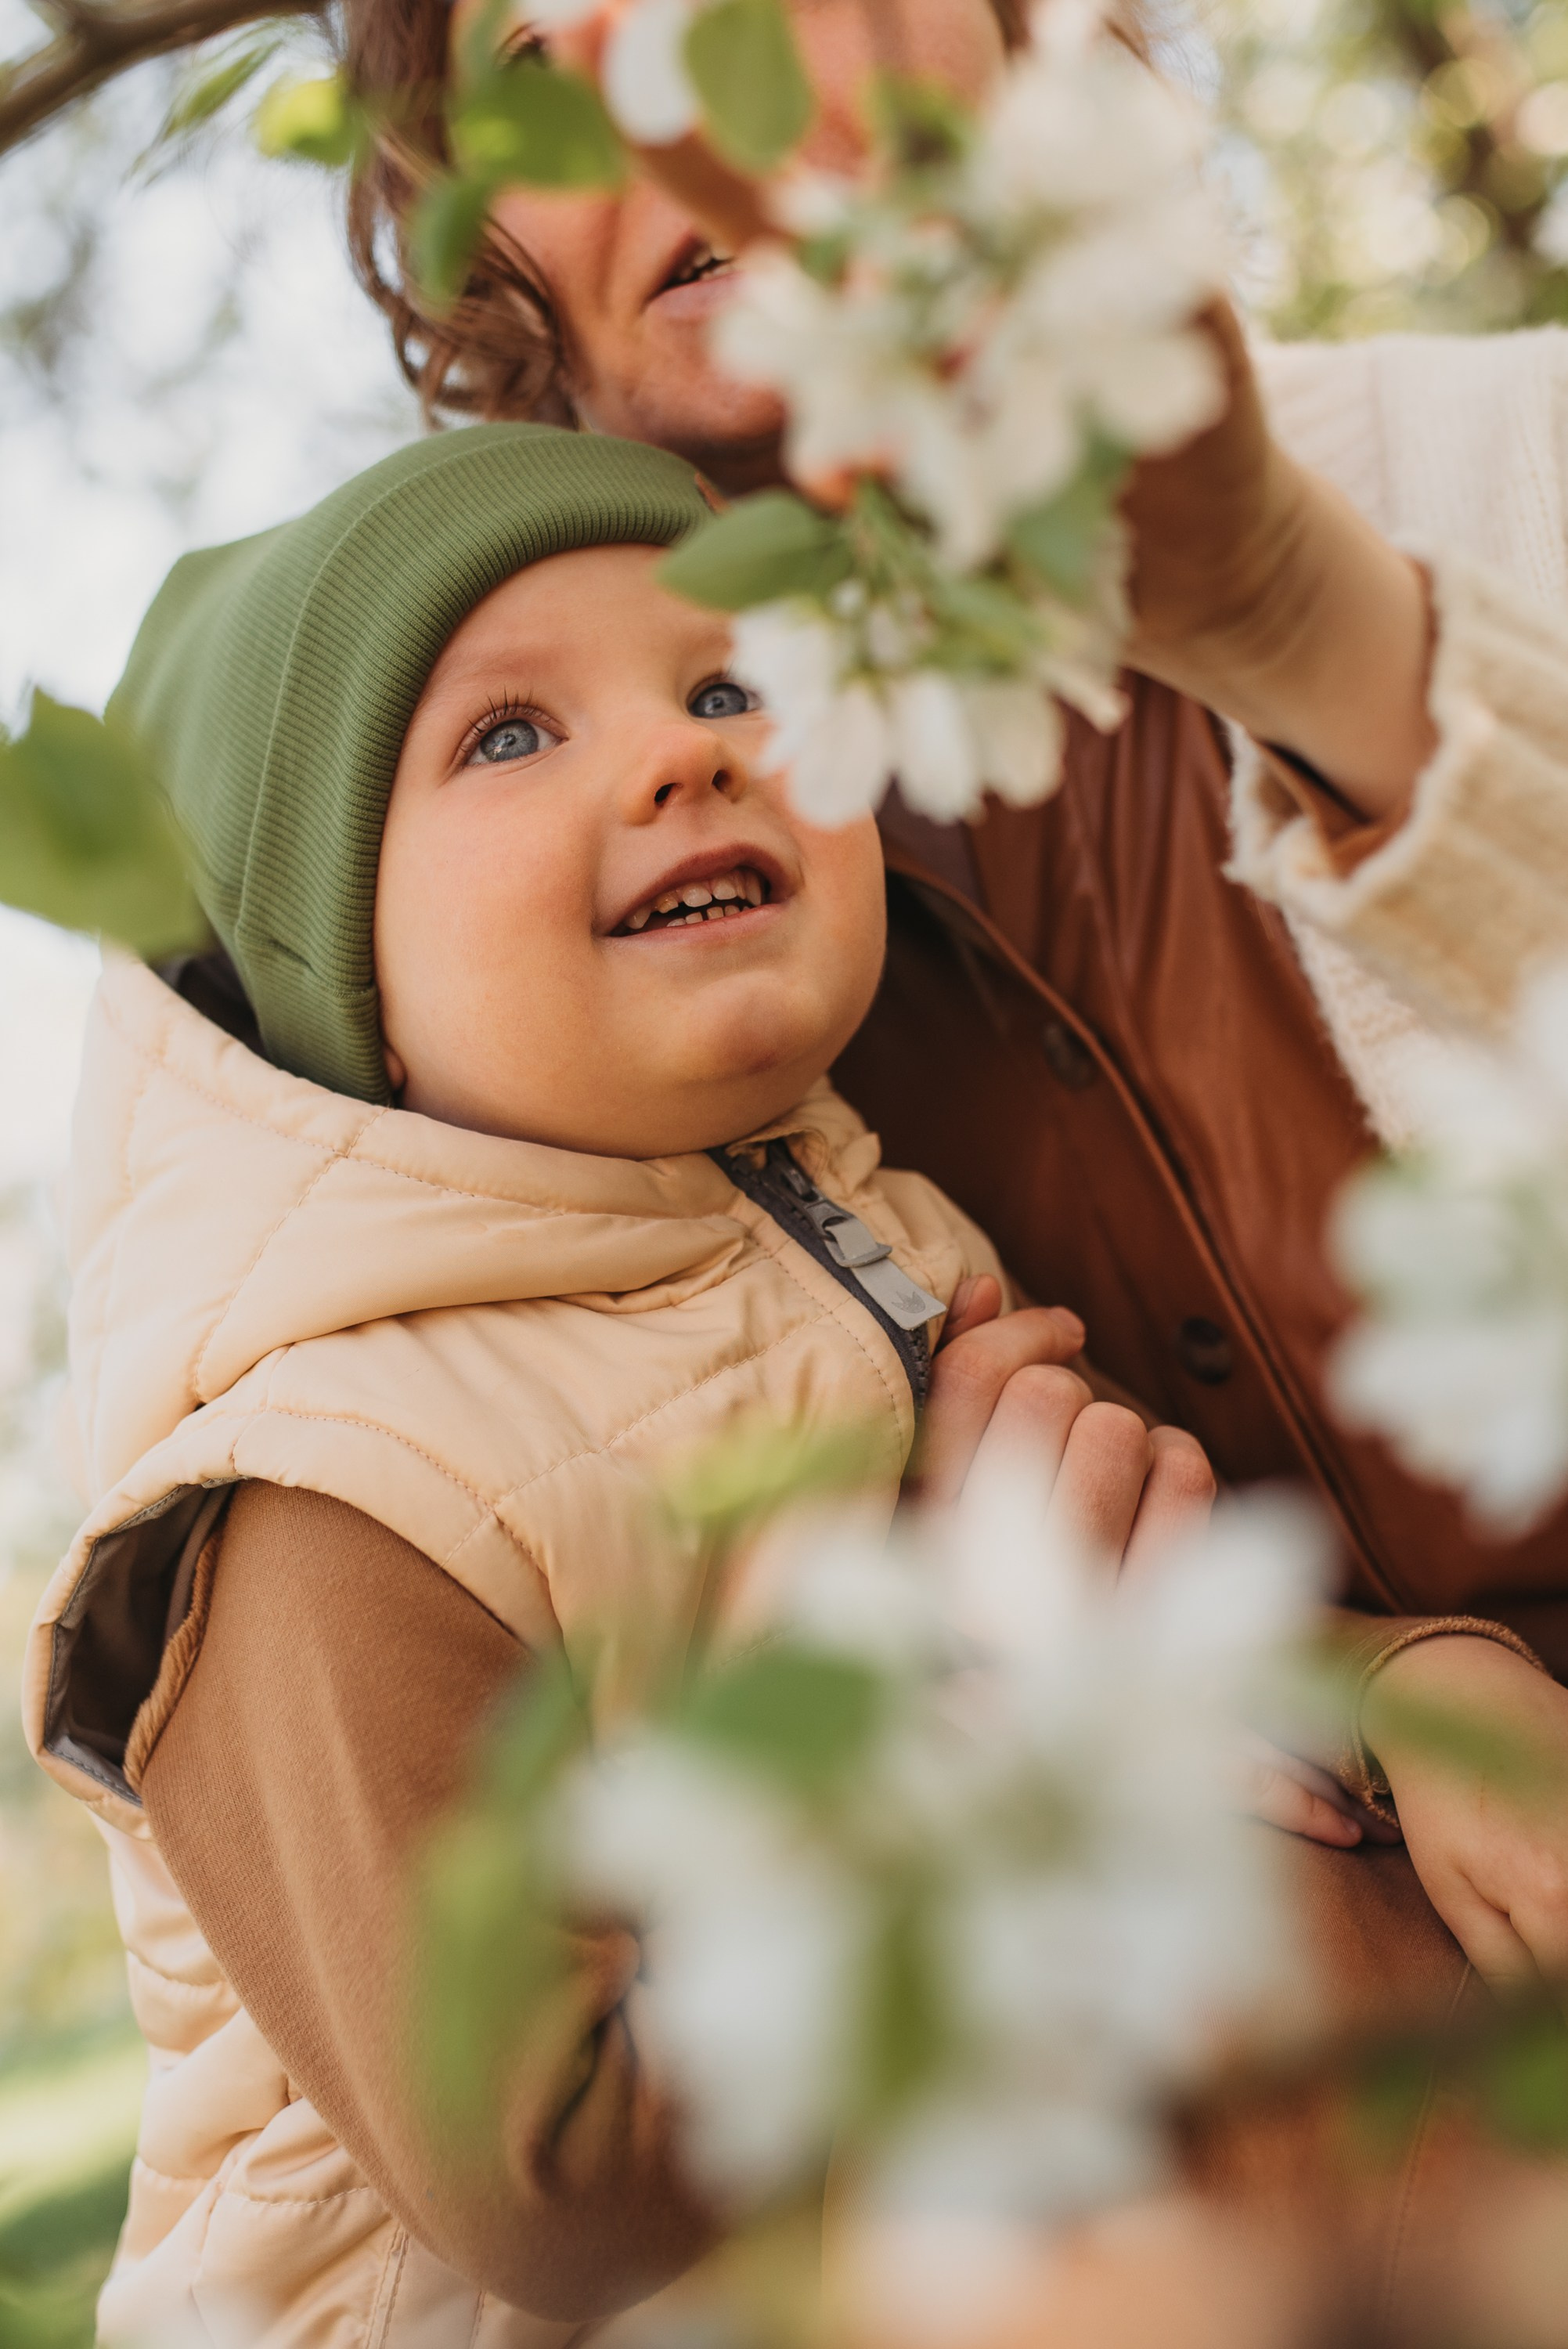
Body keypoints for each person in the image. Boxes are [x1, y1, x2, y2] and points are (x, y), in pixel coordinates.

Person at [338, 0, 1568, 2000]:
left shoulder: (1523, 458)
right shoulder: (471, 904)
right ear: (483, 244)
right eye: (546, 65)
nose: (679, 89)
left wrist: (1296, 624)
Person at [25, 422, 1255, 2345]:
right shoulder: (330, 1495)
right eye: (510, 734)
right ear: (327, 964)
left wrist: (1403, 1694)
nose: (690, 750)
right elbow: (561, 2182)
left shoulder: (877, 1241)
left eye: (732, 684)